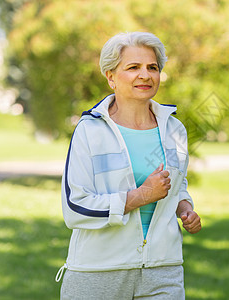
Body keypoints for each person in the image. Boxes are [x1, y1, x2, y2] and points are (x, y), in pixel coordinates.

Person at [56, 32, 201, 299]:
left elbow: (177, 186)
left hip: (163, 270)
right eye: (133, 67)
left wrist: (185, 208)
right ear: (111, 76)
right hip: (98, 273)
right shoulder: (89, 130)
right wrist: (140, 196)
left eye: (152, 67)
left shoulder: (174, 129)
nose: (145, 75)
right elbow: (75, 207)